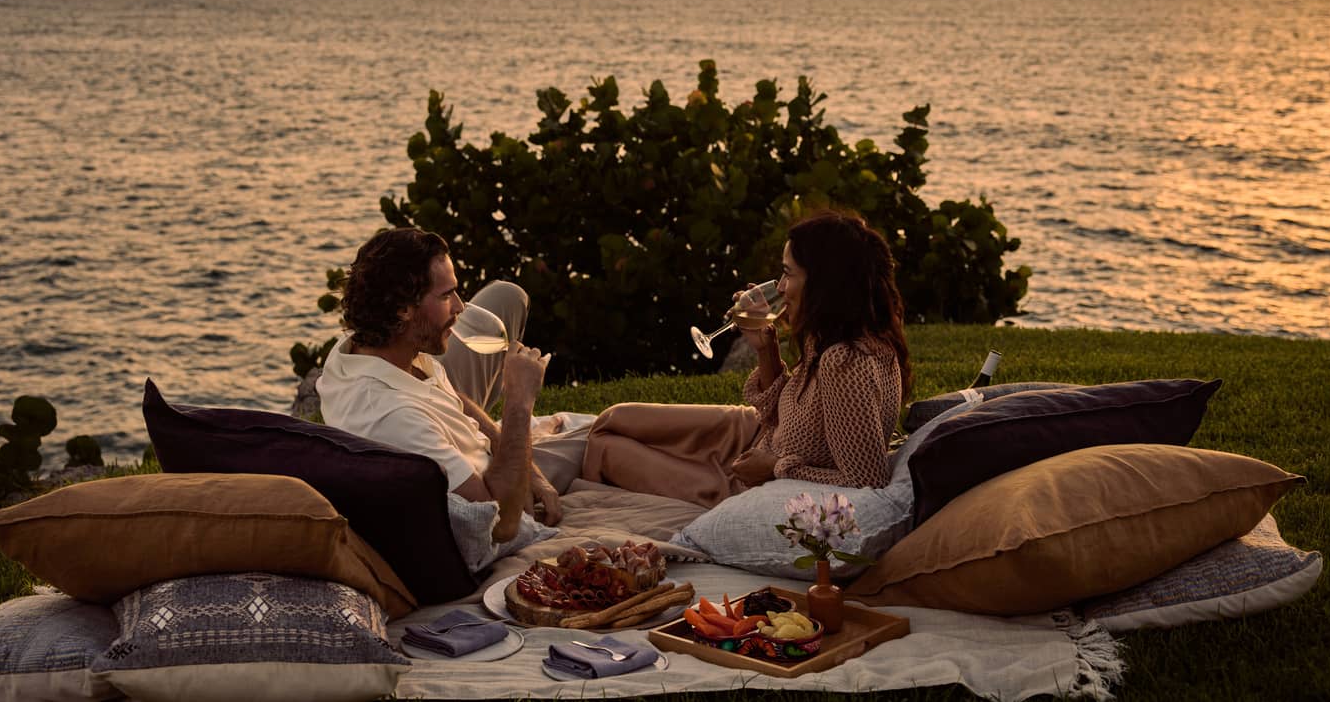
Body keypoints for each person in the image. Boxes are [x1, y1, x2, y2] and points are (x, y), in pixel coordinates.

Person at [583, 209, 912, 502]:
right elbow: (791, 416)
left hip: (748, 485)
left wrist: (775, 468)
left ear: (824, 284)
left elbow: (866, 482)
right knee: (614, 418)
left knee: (604, 448)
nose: (779, 287)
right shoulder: (832, 334)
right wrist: (765, 347)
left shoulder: (846, 361)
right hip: (756, 435)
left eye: (788, 274)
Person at [316, 227, 572, 543]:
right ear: (402, 309)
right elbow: (501, 525)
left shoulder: (371, 349)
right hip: (497, 480)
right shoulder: (393, 418)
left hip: (489, 453)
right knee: (605, 441)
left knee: (507, 295)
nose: (460, 307)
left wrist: (522, 461)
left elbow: (453, 399)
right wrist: (519, 403)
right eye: (446, 295)